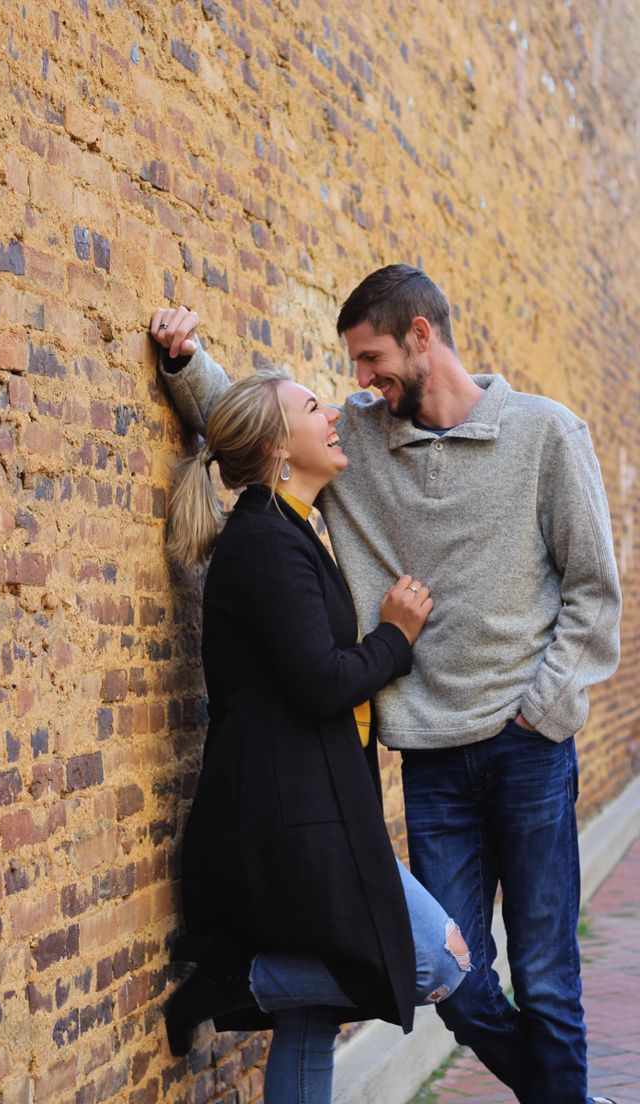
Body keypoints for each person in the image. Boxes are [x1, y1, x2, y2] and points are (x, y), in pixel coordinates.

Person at [151, 266, 622, 1104]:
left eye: (370, 361)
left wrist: (541, 713)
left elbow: (594, 591)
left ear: (420, 336)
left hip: (530, 753)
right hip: (435, 764)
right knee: (460, 986)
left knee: (548, 984)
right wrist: (189, 363)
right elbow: (260, 431)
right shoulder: (359, 444)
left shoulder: (549, 434)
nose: (359, 384)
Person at [161, 365, 471, 1103]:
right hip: (291, 818)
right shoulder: (265, 542)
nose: (332, 411)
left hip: (316, 804)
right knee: (437, 958)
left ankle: (259, 983)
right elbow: (321, 680)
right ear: (275, 447)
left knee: (311, 1020)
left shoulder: (292, 528)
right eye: (311, 406)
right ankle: (237, 981)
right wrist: (396, 638)